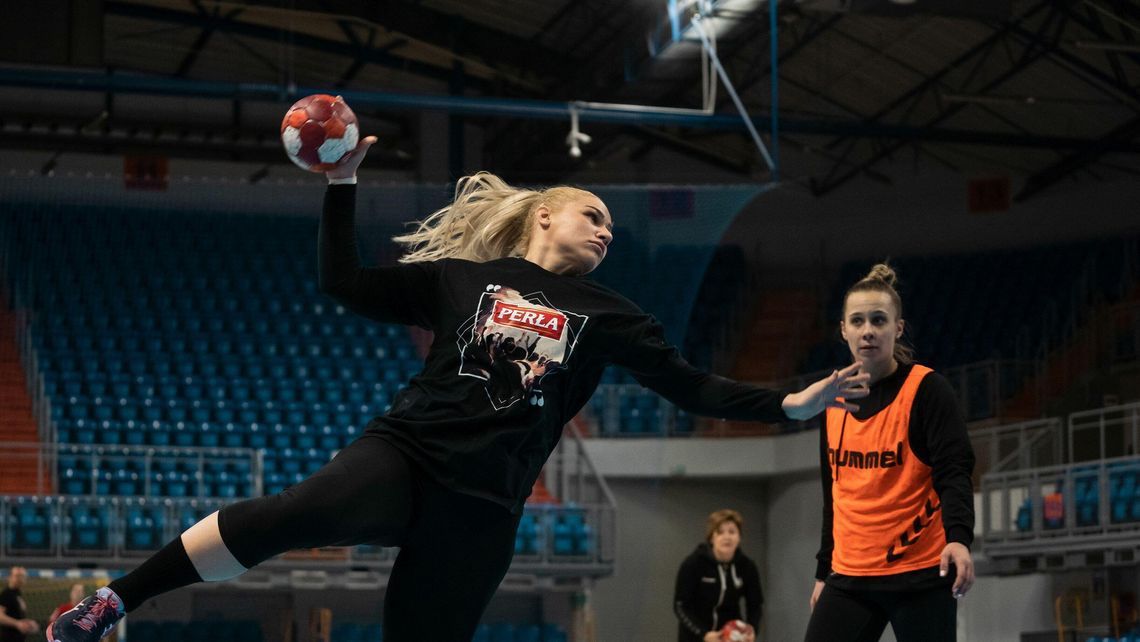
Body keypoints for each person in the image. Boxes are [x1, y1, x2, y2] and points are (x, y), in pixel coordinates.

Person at [49, 135, 870, 642]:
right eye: (593, 215)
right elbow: (343, 283)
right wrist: (341, 186)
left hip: (485, 508)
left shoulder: (612, 314)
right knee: (286, 515)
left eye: (612, 229)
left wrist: (790, 405)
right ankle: (113, 603)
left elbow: (693, 389)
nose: (606, 230)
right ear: (545, 216)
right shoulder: (462, 278)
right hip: (405, 455)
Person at [803, 264, 976, 642]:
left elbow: (955, 473)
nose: (868, 330)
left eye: (879, 320)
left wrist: (959, 539)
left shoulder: (929, 390)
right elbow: (834, 496)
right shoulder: (832, 399)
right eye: (858, 321)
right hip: (849, 577)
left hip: (920, 577)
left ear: (897, 328)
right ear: (844, 330)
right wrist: (823, 572)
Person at [674, 509, 761, 642]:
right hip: (696, 636)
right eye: (720, 532)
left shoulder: (747, 566)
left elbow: (755, 604)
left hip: (729, 637)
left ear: (739, 537)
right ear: (712, 538)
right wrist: (703, 634)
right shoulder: (693, 563)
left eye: (732, 532)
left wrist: (752, 629)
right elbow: (680, 605)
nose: (727, 537)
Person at [1, 566, 40, 642]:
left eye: (22, 576)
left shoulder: (17, 594)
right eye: (17, 576)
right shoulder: (6, 594)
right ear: (9, 577)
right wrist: (17, 624)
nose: (20, 579)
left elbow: (17, 617)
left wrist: (28, 624)